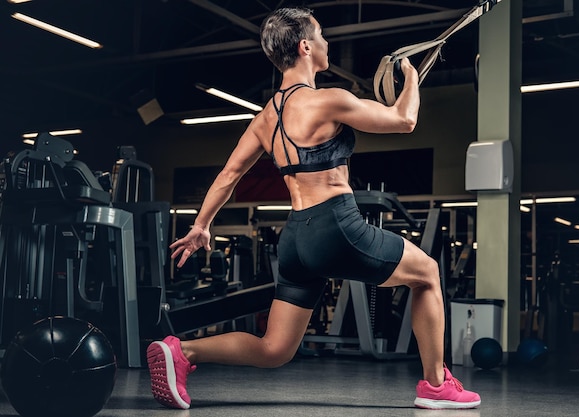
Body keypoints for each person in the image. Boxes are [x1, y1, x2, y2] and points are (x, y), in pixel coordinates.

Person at [147, 6, 481, 411]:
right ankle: (436, 385)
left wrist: (202, 224)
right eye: (321, 36)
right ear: (306, 47)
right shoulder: (328, 101)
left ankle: (182, 352)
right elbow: (404, 119)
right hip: (337, 226)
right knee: (427, 273)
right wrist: (412, 77)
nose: (327, 43)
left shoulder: (265, 118)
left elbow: (229, 174)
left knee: (275, 349)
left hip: (296, 239)